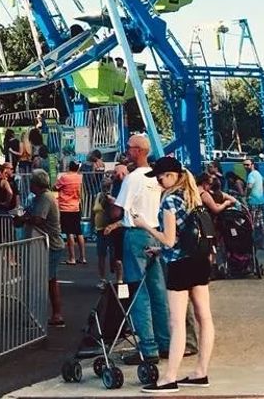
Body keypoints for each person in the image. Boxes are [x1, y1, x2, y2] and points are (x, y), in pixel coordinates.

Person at [133, 156, 215, 393]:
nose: (158, 182)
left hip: (180, 265)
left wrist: (145, 226)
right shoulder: (193, 197)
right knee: (204, 317)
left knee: (176, 322)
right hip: (200, 261)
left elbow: (169, 240)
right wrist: (161, 249)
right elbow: (184, 236)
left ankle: (169, 378)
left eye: (160, 177)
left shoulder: (169, 202)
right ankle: (201, 372)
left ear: (171, 176)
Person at [112, 134, 170, 366]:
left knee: (138, 292)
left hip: (135, 234)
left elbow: (118, 211)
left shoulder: (133, 179)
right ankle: (165, 342)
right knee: (158, 291)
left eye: (129, 148)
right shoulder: (156, 178)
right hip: (155, 232)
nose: (126, 151)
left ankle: (148, 347)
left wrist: (109, 203)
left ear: (138, 151)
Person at [17, 169, 65, 328]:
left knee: (41, 280)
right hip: (46, 245)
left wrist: (25, 219)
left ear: (36, 184)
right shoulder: (40, 198)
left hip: (48, 245)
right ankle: (55, 313)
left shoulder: (45, 198)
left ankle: (37, 316)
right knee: (50, 280)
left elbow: (39, 219)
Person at [54, 160, 85, 264]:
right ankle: (82, 257)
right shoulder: (79, 177)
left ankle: (72, 257)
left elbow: (55, 187)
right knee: (79, 232)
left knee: (69, 232)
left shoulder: (64, 178)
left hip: (65, 207)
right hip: (76, 206)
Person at [243, 159, 264, 249]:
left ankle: (252, 244)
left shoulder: (251, 175)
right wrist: (261, 193)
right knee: (262, 223)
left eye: (247, 165)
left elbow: (249, 186)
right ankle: (263, 244)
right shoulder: (258, 173)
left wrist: (246, 196)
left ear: (252, 164)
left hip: (253, 202)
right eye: (244, 165)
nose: (245, 167)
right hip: (261, 201)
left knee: (251, 223)